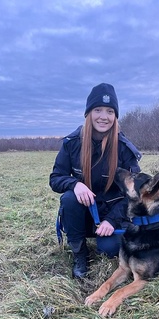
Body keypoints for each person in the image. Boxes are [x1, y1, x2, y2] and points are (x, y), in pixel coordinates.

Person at [49, 83, 142, 279]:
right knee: (69, 198)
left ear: (115, 116)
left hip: (113, 214)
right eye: (98, 110)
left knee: (108, 249)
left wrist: (112, 220)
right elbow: (55, 179)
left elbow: (135, 194)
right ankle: (80, 254)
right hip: (84, 214)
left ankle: (105, 238)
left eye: (110, 111)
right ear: (88, 113)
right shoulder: (72, 143)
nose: (103, 116)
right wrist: (75, 184)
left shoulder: (124, 148)